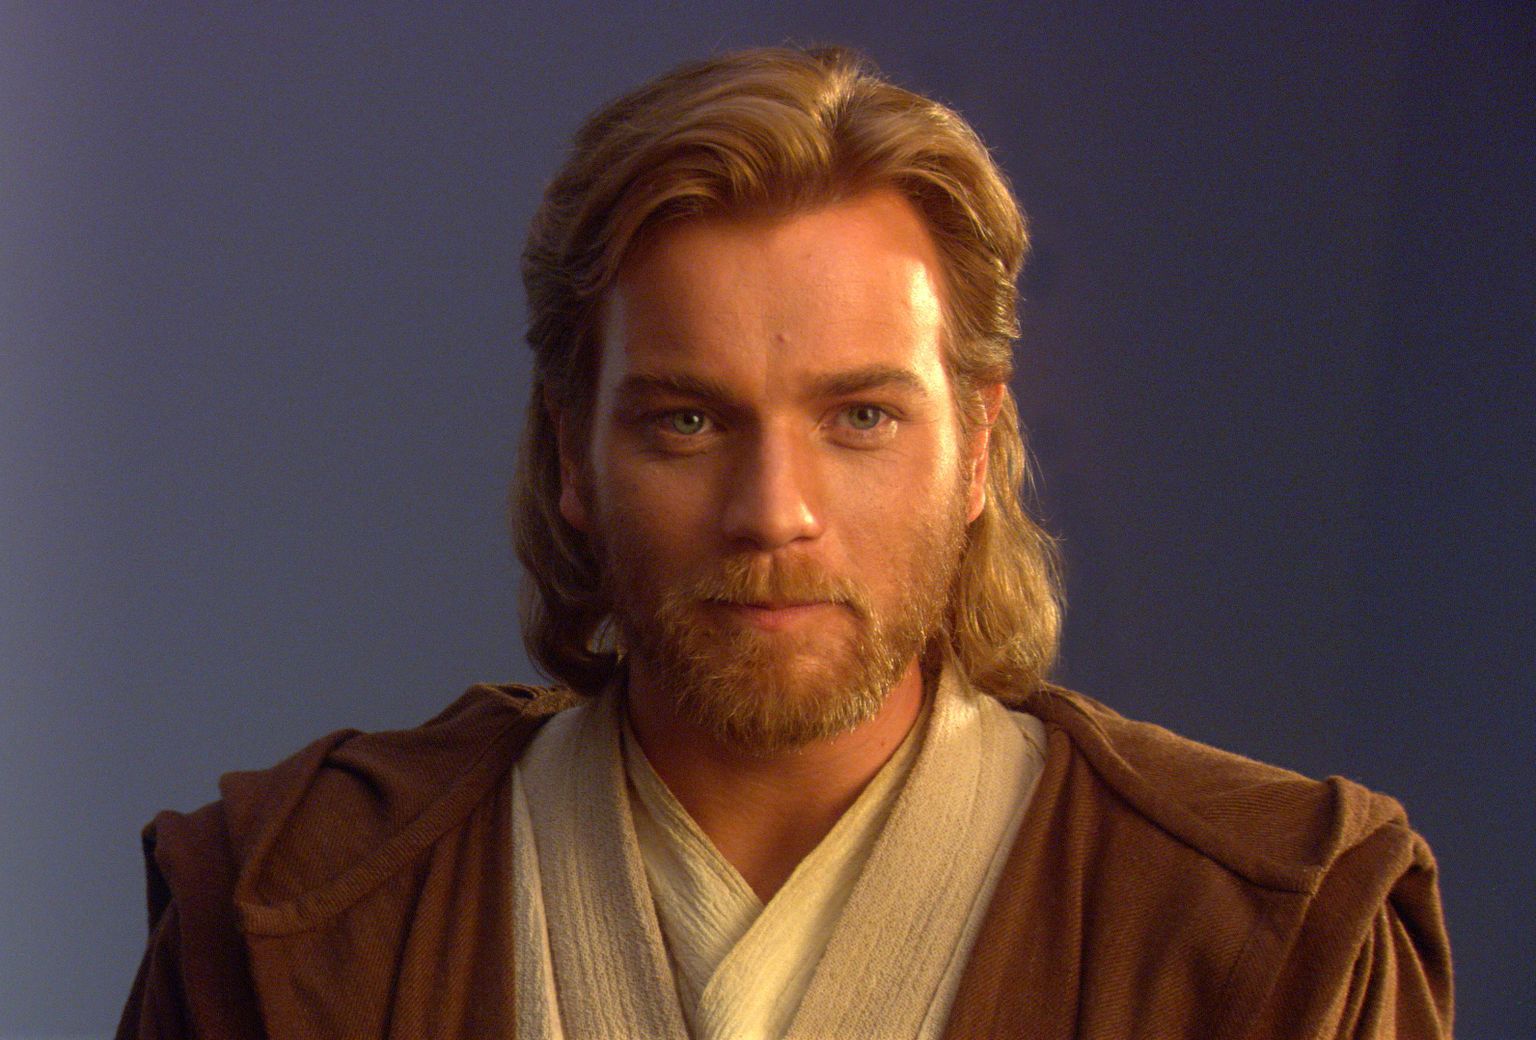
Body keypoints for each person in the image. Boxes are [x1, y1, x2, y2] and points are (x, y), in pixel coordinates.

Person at [117, 46, 1453, 1039]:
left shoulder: (1264, 932)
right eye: (689, 422)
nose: (773, 510)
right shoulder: (295, 913)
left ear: (976, 446)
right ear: (572, 453)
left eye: (861, 417)